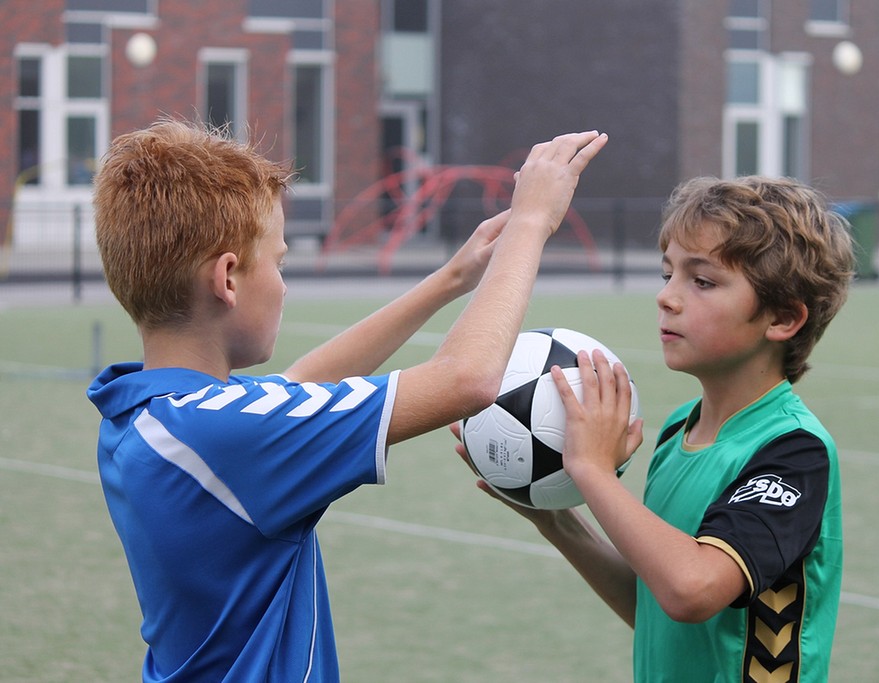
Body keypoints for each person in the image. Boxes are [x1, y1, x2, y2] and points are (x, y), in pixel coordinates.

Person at [86, 117, 607, 682]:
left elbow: (301, 385)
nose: (283, 285)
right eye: (278, 263)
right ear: (228, 279)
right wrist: (532, 221)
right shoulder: (227, 435)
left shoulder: (151, 413)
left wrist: (453, 278)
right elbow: (467, 381)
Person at [455, 175, 855, 682]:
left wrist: (592, 469)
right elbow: (658, 609)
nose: (667, 298)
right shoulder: (676, 432)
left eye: (702, 281)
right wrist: (556, 521)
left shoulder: (792, 451)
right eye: (667, 274)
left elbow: (692, 591)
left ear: (781, 319)